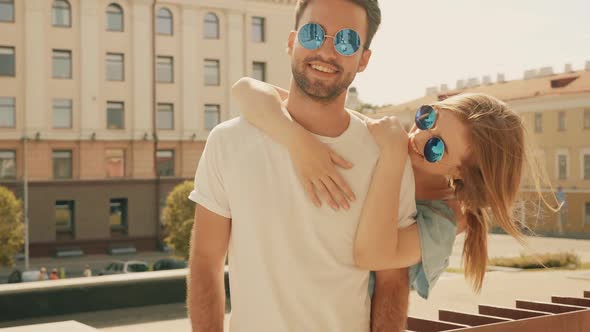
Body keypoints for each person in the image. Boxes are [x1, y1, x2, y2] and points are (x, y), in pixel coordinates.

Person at [187, 0, 414, 331]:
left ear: (363, 59)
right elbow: (205, 263)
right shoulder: (228, 141)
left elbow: (392, 282)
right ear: (292, 42)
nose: (326, 50)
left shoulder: (387, 154)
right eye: (312, 33)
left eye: (346, 40)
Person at [232, 80, 559, 294]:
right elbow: (246, 90)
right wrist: (298, 141)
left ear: (463, 175)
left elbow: (372, 255)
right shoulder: (377, 135)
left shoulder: (445, 219)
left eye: (436, 147)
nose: (417, 137)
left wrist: (391, 157)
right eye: (428, 118)